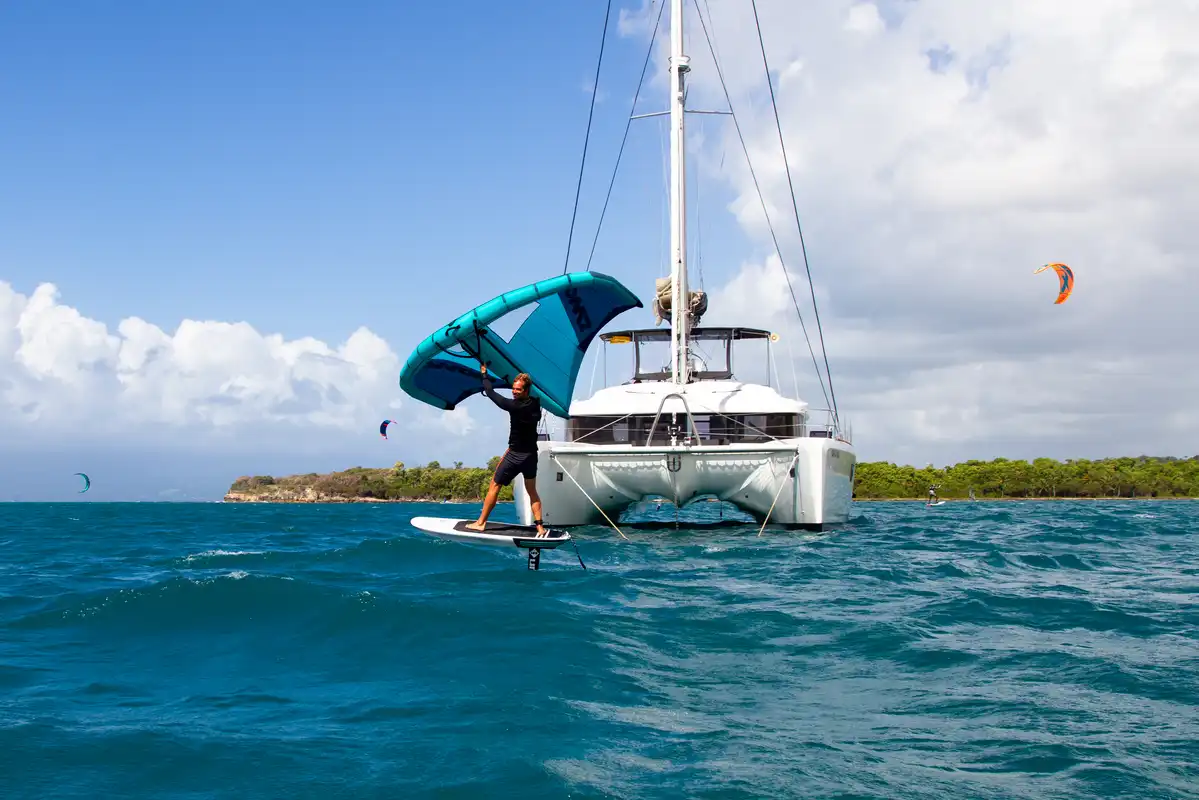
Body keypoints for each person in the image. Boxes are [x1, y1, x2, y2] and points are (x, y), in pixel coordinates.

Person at [466, 364, 547, 536]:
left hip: (516, 455)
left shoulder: (514, 406)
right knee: (532, 491)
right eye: (513, 388)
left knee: (495, 485)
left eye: (518, 389)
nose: (514, 392)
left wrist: (484, 374)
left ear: (525, 391)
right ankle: (540, 526)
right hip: (530, 456)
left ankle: (480, 523)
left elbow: (490, 392)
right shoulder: (536, 404)